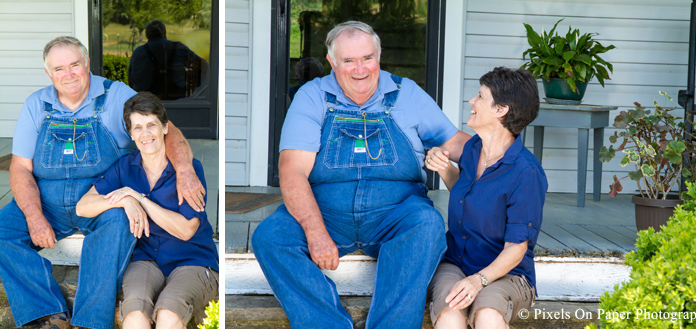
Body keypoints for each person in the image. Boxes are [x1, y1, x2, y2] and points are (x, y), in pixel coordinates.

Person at [251, 21, 471, 329]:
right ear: (332, 62)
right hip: (327, 214)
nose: (360, 69)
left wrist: (501, 152)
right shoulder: (312, 96)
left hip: (395, 214)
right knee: (270, 237)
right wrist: (315, 233)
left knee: (428, 225)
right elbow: (292, 169)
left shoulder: (406, 93)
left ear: (378, 57)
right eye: (349, 60)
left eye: (367, 58)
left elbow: (458, 144)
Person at [0, 36, 206, 329]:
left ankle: (89, 321)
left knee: (120, 225)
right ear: (48, 73)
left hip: (104, 197)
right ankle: (46, 314)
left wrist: (185, 170)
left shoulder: (116, 94)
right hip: (45, 200)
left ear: (86, 64)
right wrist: (34, 215)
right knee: (2, 232)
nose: (68, 74)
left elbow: (165, 128)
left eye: (75, 65)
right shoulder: (37, 104)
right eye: (59, 69)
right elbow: (20, 168)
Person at [76, 92, 219, 329]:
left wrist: (139, 198)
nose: (146, 133)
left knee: (168, 315)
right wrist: (124, 200)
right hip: (145, 260)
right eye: (138, 127)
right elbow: (83, 206)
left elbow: (186, 230)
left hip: (192, 260)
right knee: (134, 317)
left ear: (165, 128)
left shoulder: (188, 171)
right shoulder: (126, 167)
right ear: (131, 134)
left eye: (152, 125)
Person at [424, 67, 548, 329]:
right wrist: (443, 165)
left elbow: (517, 248)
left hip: (507, 274)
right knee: (449, 317)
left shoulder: (526, 172)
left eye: (480, 96)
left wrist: (478, 281)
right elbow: (468, 194)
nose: (472, 101)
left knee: (488, 316)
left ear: (500, 110)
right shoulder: (473, 149)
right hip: (456, 262)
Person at [128, 20, 209, 100]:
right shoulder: (178, 48)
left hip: (146, 103)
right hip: (177, 103)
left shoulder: (138, 52)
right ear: (164, 33)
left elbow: (130, 80)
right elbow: (204, 65)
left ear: (147, 35)